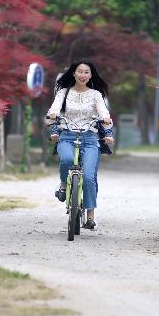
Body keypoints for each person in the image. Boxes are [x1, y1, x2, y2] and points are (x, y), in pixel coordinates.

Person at [45, 59, 114, 230]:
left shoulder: (96, 94)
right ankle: (63, 184)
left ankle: (90, 216)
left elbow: (103, 110)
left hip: (90, 138)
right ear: (74, 73)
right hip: (67, 136)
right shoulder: (64, 92)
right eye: (80, 71)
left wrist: (105, 119)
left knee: (89, 177)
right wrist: (53, 115)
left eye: (86, 72)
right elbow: (54, 108)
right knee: (67, 160)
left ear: (91, 75)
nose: (83, 75)